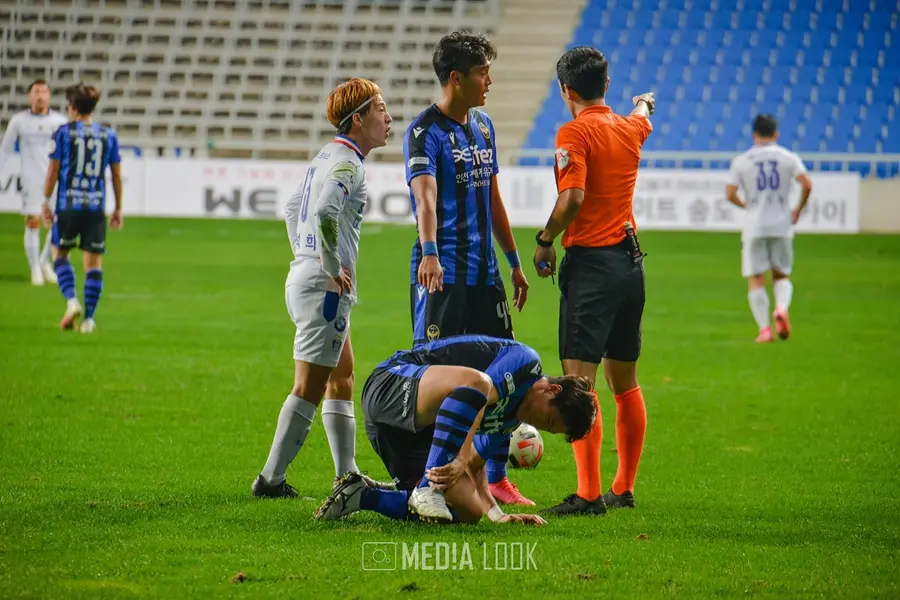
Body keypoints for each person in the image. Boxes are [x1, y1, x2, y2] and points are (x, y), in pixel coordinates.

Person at [402, 30, 532, 506]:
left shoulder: (484, 126)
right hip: (443, 275)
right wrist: (430, 252)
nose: (489, 81)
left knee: (505, 375)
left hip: (485, 276)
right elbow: (425, 198)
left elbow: (493, 197)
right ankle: (424, 480)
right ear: (456, 78)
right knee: (436, 376)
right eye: (482, 73)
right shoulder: (424, 132)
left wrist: (513, 262)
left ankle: (494, 477)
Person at [251, 78, 394, 498]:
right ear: (359, 119)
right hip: (323, 289)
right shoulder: (348, 164)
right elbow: (326, 211)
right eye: (380, 109)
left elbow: (293, 207)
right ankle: (270, 481)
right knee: (308, 387)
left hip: (310, 280)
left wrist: (306, 254)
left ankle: (347, 476)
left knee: (342, 377)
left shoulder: (328, 155)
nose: (388, 117)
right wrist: (328, 265)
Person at [531, 46, 654, 515]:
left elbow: (572, 198)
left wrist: (545, 240)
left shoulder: (574, 132)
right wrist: (644, 102)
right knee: (626, 382)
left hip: (593, 268)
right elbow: (643, 117)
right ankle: (623, 488)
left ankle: (587, 495)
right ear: (606, 85)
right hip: (630, 265)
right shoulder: (628, 127)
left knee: (578, 383)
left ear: (566, 90)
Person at [314, 335, 596, 524]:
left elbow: (475, 464)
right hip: (391, 386)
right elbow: (480, 394)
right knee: (480, 383)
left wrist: (497, 515)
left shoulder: (510, 420)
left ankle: (362, 495)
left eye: (548, 430)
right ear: (552, 390)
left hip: (400, 434)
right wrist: (460, 457)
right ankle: (426, 490)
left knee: (469, 511)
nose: (538, 426)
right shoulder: (526, 362)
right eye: (549, 421)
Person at [725, 114, 812, 343]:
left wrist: (746, 206)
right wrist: (797, 209)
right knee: (781, 273)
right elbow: (807, 184)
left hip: (755, 225)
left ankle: (765, 330)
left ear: (754, 135)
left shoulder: (742, 160)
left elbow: (730, 193)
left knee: (756, 278)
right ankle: (781, 308)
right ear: (776, 134)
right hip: (782, 223)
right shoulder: (788, 157)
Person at [44, 83, 123, 333]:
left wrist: (45, 200)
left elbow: (53, 170)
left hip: (68, 204)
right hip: (96, 206)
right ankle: (88, 320)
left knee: (59, 254)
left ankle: (72, 301)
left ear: (73, 107)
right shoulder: (108, 135)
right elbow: (116, 175)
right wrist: (118, 208)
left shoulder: (63, 133)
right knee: (94, 263)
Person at [0, 79, 68, 285]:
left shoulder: (59, 121)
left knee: (60, 223)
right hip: (31, 179)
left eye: (44, 92)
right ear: (30, 96)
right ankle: (35, 268)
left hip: (56, 179)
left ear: (49, 96)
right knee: (33, 221)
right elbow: (5, 149)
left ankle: (44, 261)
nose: (40, 96)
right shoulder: (19, 121)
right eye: (36, 92)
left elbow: (68, 150)